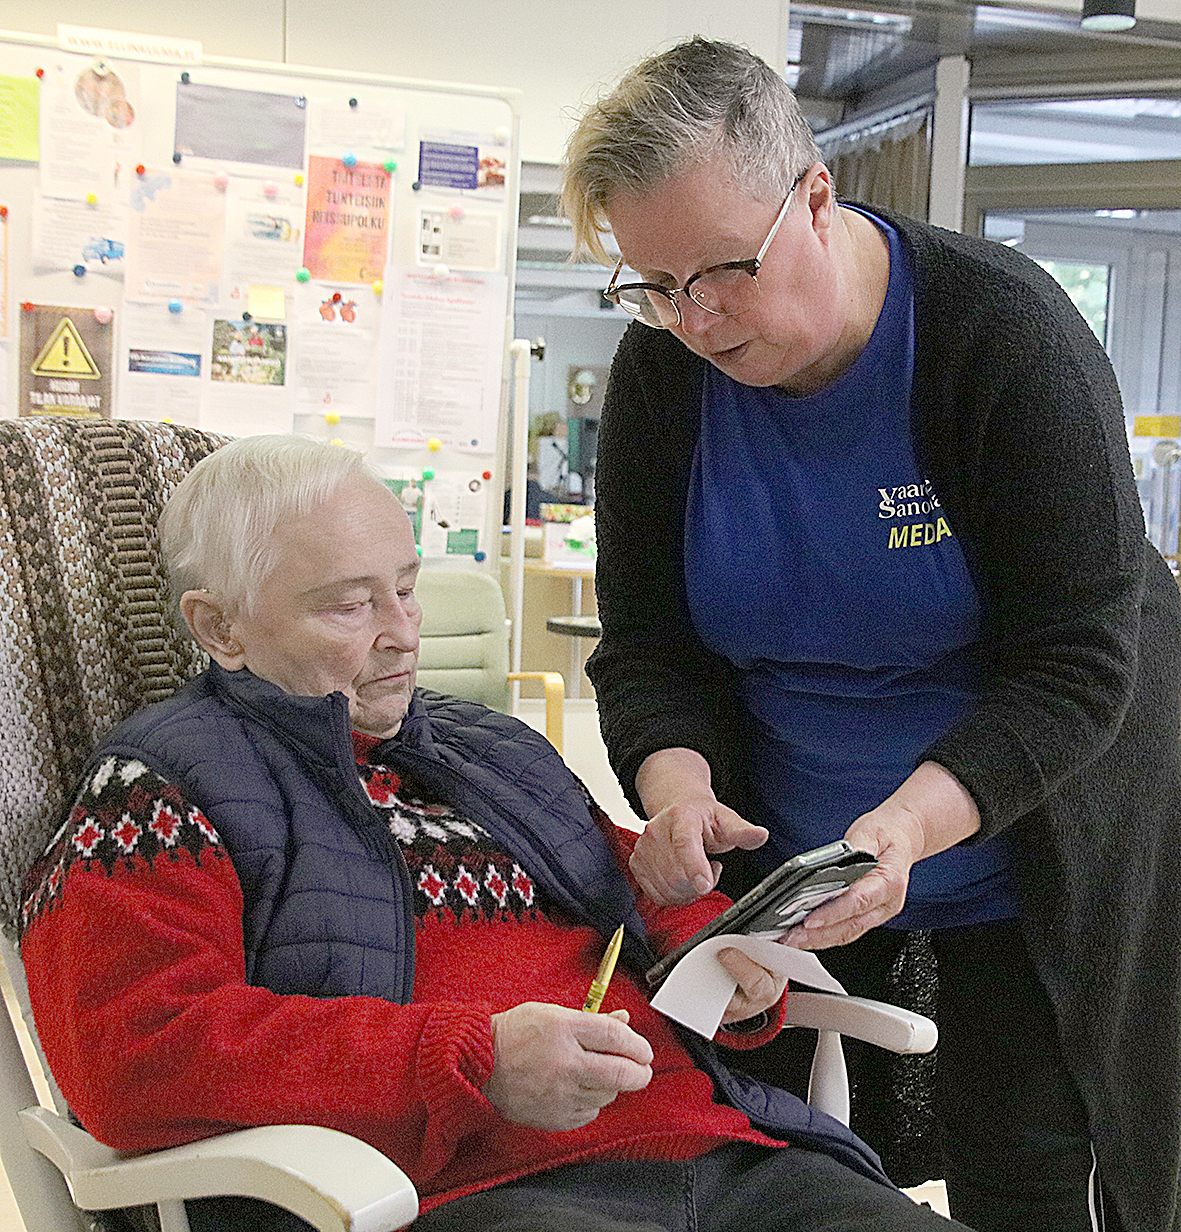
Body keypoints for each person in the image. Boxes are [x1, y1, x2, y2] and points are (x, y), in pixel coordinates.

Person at [18, 435, 969, 1232]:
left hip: (713, 1151)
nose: (402, 634)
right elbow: (132, 1056)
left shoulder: (491, 748)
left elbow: (626, 899)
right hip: (443, 1196)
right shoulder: (155, 792)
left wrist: (715, 953)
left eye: (406, 587)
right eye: (350, 605)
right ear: (219, 629)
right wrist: (470, 1058)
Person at [560, 36, 1181, 1232]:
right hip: (794, 871)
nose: (692, 318)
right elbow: (648, 644)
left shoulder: (997, 335)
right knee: (784, 1163)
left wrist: (901, 831)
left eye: (721, 271)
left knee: (1028, 1157)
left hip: (1025, 835)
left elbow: (1076, 658)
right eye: (652, 283)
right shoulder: (665, 373)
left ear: (815, 197)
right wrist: (675, 787)